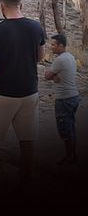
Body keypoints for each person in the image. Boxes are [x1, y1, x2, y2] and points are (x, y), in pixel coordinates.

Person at [0, 0, 45, 189]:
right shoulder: (36, 27)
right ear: (21, 5)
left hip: (2, 93)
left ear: (2, 6)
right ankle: (25, 181)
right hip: (29, 92)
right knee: (27, 141)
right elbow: (40, 57)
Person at [45, 33, 80, 165]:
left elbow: (47, 75)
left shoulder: (60, 60)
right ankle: (72, 155)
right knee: (70, 127)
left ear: (61, 45)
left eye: (53, 44)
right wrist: (55, 76)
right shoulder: (70, 57)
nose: (51, 47)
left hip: (64, 99)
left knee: (65, 129)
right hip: (73, 96)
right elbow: (55, 76)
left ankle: (70, 158)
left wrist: (52, 76)